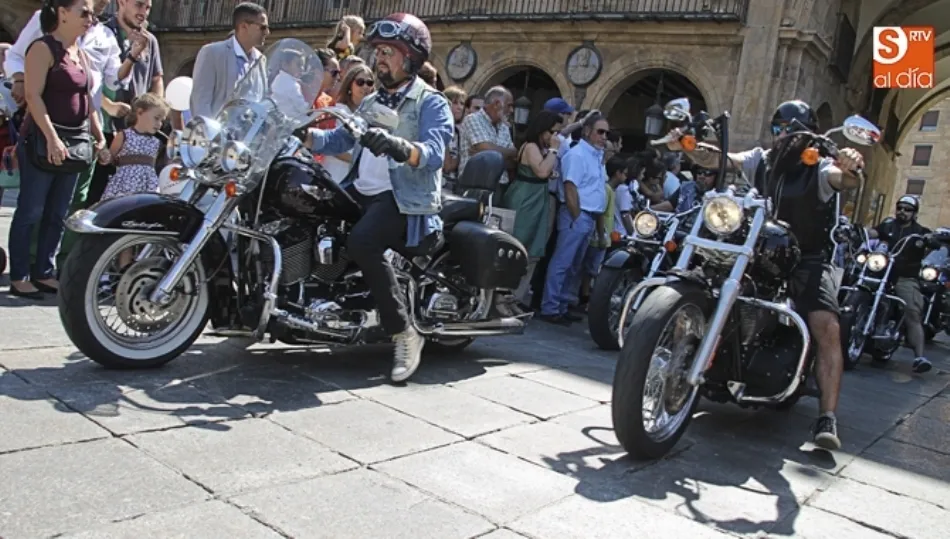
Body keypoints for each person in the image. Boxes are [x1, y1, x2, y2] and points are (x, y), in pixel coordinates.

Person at [664, 99, 865, 450]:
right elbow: (722, 160)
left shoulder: (817, 168)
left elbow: (843, 179)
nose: (783, 135)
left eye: (792, 130)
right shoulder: (761, 159)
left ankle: (826, 417)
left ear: (810, 137)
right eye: (777, 128)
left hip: (805, 256)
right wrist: (686, 144)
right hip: (758, 248)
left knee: (827, 327)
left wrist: (851, 166)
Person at [301, 13, 453, 383]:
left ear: (412, 58)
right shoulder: (372, 101)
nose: (380, 58)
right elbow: (342, 140)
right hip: (361, 191)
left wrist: (399, 146)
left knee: (363, 242)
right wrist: (304, 135)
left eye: (389, 52)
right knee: (307, 208)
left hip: (402, 198)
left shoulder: (430, 103)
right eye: (379, 51)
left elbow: (434, 152)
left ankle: (404, 332)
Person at [8, 0, 106, 298]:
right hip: (43, 140)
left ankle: (44, 272)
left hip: (75, 142)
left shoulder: (81, 55)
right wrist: (51, 137)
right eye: (84, 12)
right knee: (31, 209)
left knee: (58, 212)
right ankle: (21, 274)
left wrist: (98, 134)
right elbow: (33, 96)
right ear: (62, 13)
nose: (91, 18)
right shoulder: (42, 47)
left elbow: (87, 100)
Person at [866, 195, 933, 373]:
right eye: (900, 207)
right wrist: (857, 231)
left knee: (912, 311)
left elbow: (931, 240)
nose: (902, 211)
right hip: (881, 273)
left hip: (905, 278)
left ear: (915, 213)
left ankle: (919, 357)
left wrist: (932, 240)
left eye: (908, 209)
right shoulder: (887, 226)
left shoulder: (920, 232)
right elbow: (873, 233)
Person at [190, 2, 269, 119]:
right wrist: (209, 134)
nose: (267, 32)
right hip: (217, 134)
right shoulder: (212, 53)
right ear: (244, 27)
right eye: (263, 27)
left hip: (248, 135)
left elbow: (261, 100)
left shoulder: (261, 59)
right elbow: (200, 102)